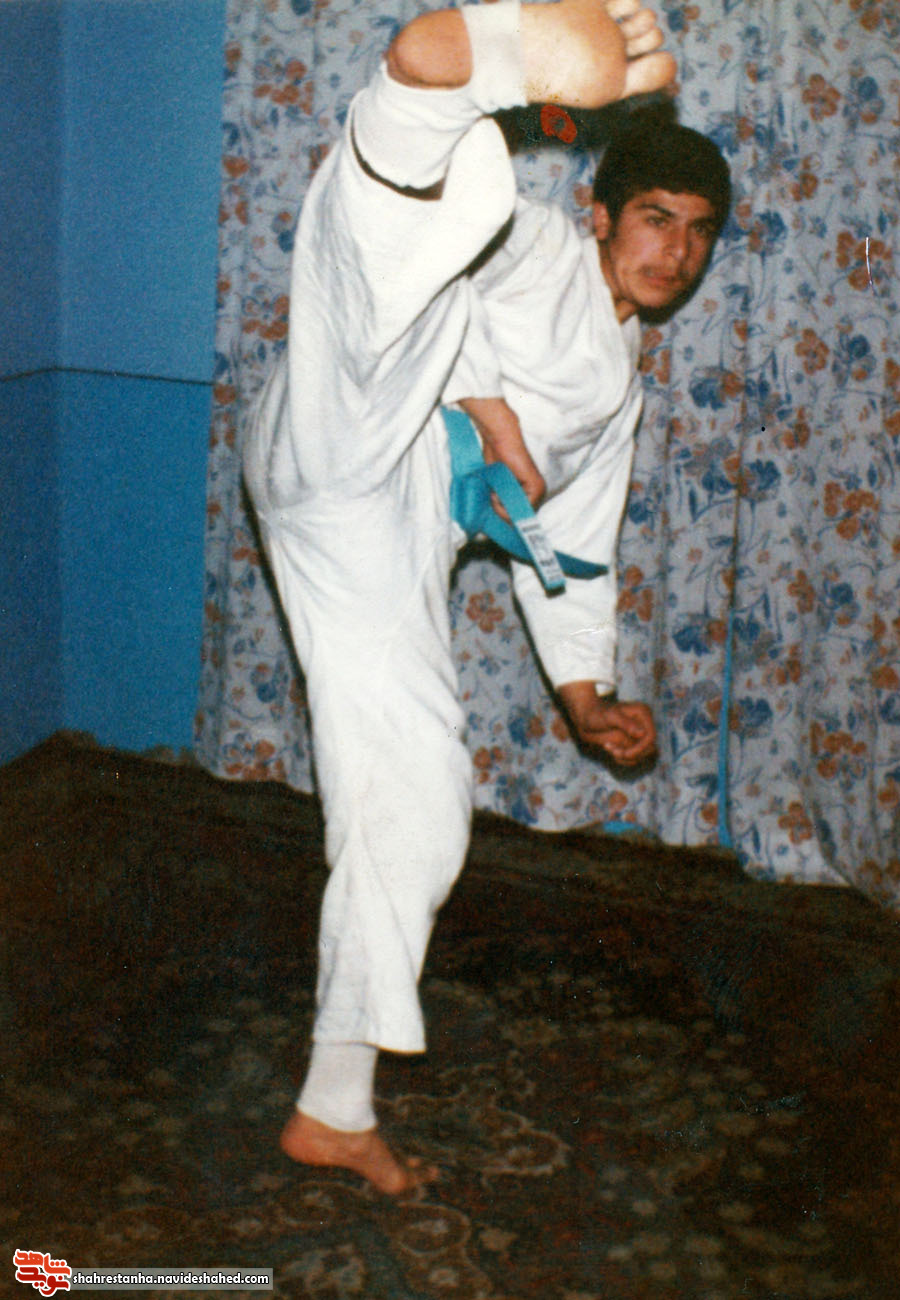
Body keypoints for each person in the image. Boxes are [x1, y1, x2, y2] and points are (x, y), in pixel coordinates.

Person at [243, 0, 730, 1193]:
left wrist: (586, 696)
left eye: (698, 231)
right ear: (601, 215)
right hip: (366, 433)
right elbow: (465, 282)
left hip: (375, 539)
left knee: (421, 804)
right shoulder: (548, 251)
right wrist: (491, 402)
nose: (675, 249)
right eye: (654, 217)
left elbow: (572, 547)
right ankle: (428, 99)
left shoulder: (619, 394)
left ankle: (333, 1106)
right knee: (426, 270)